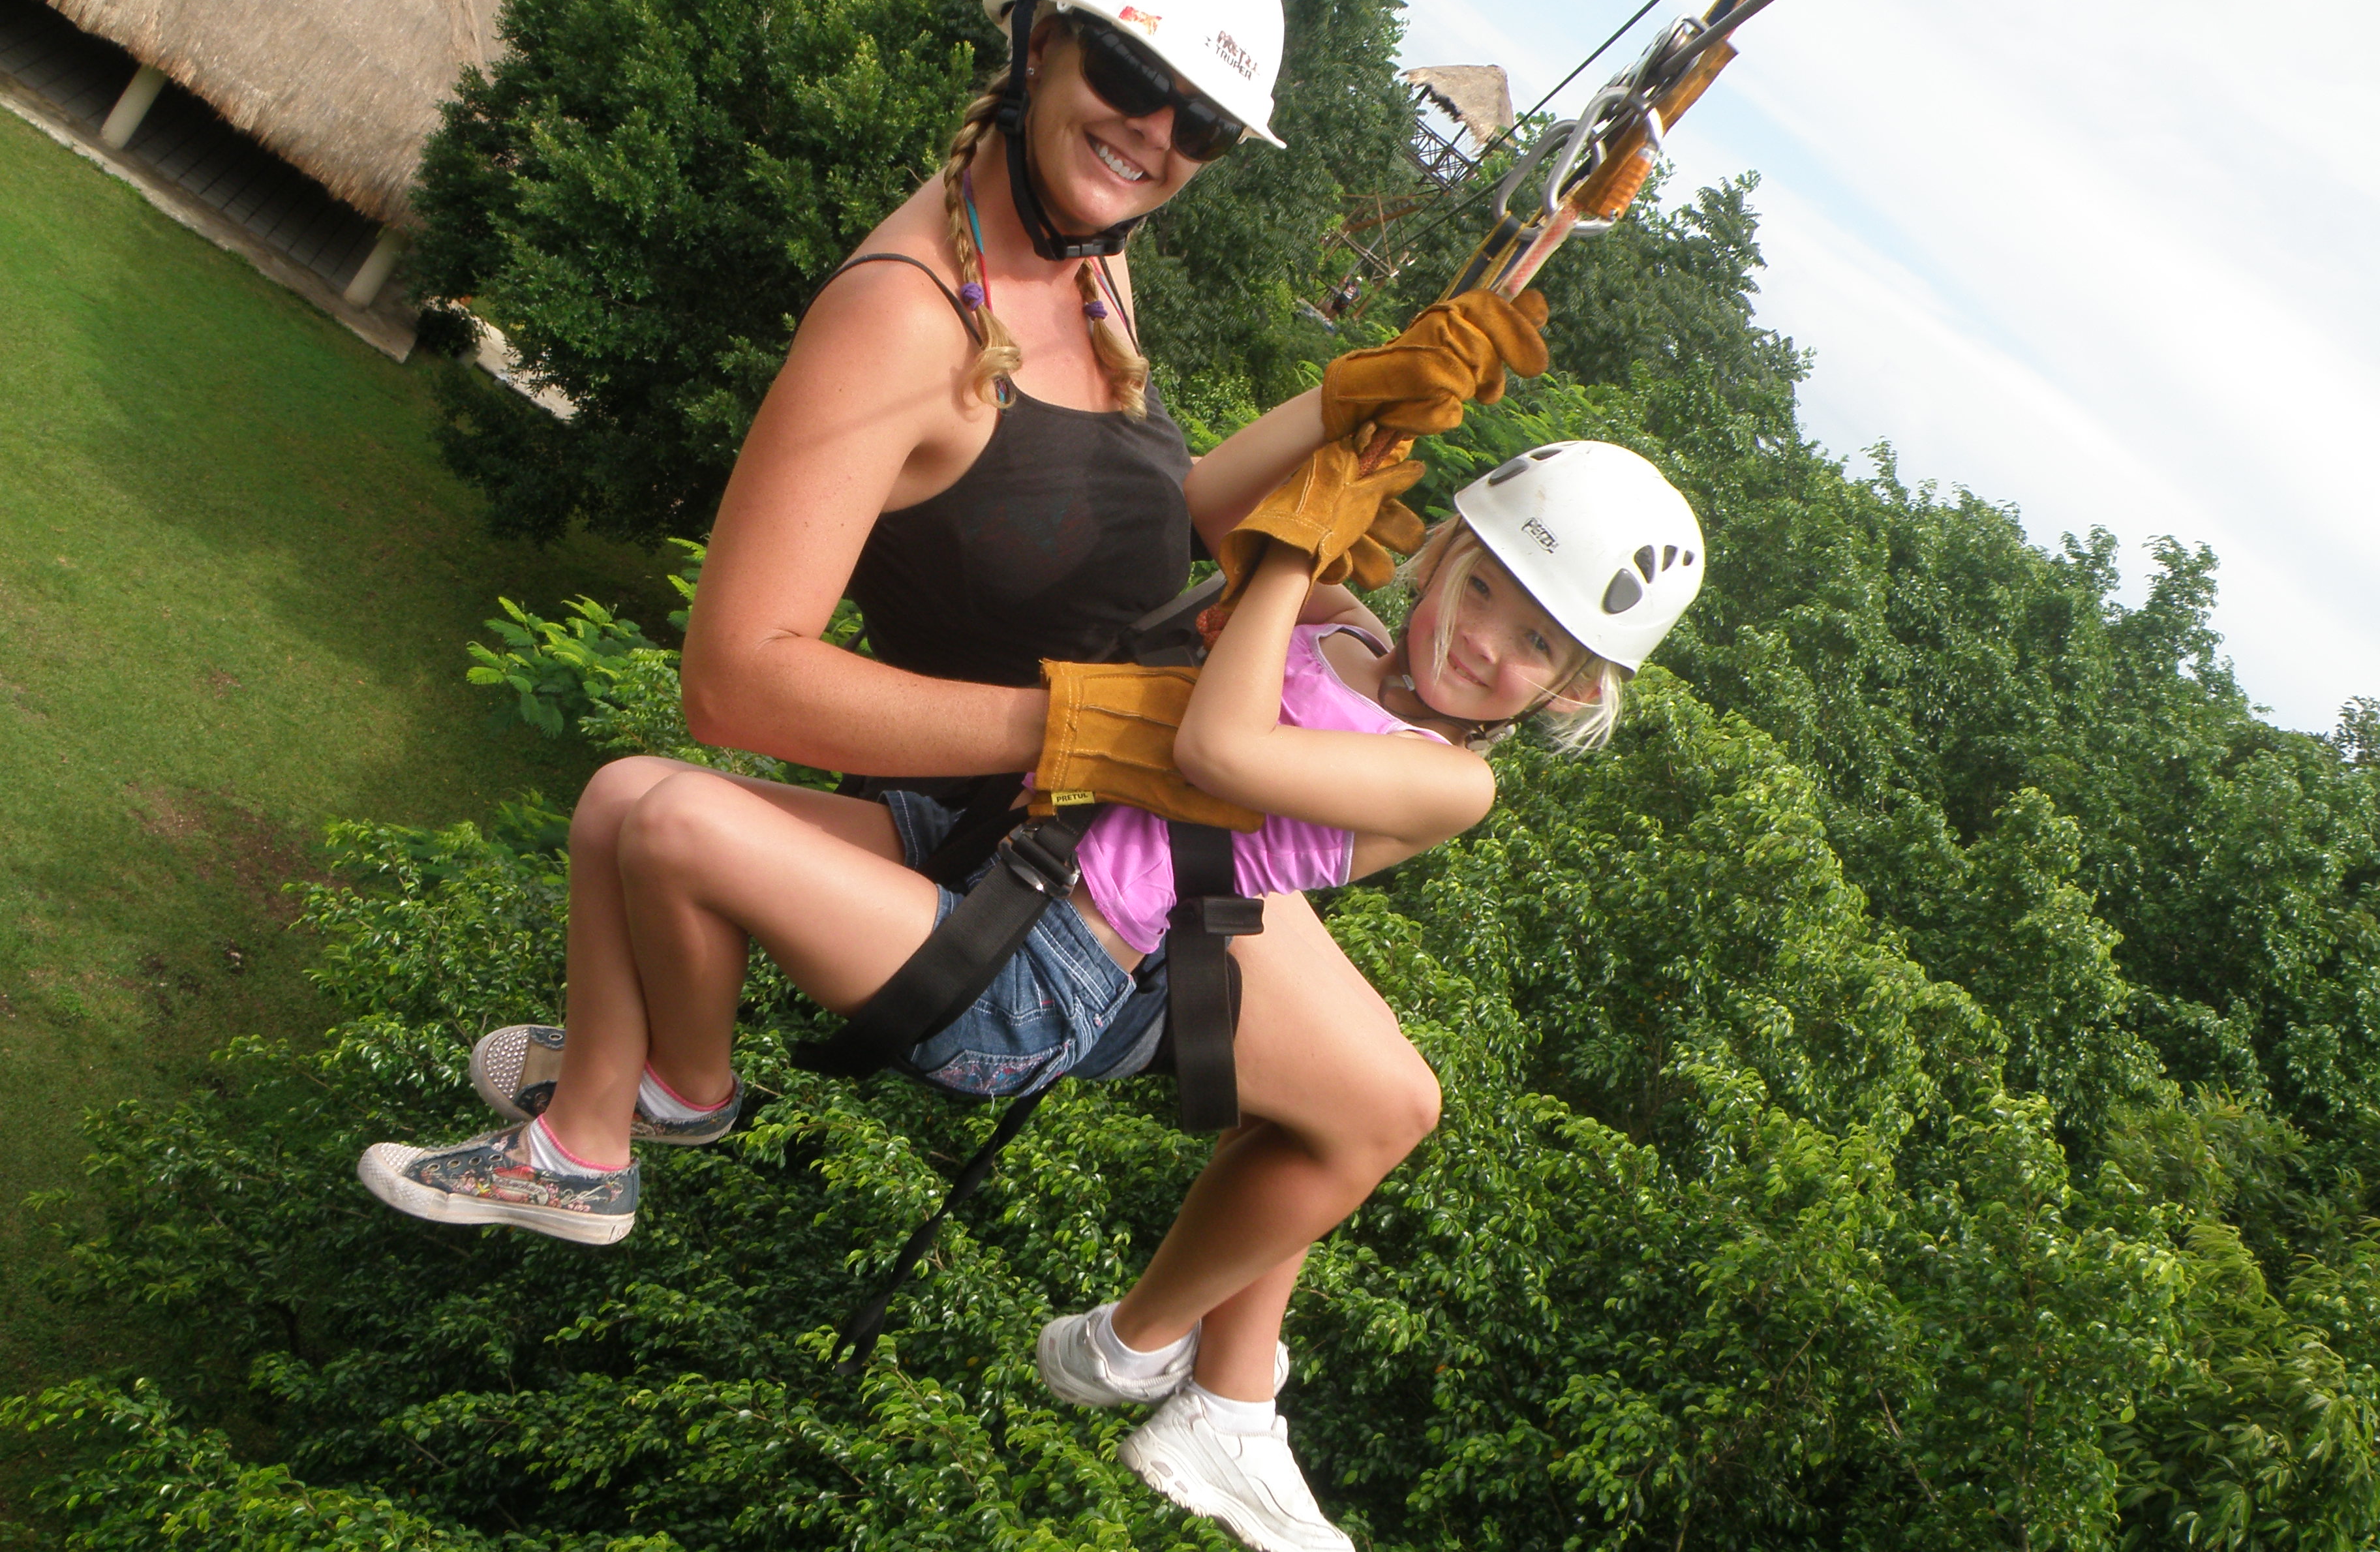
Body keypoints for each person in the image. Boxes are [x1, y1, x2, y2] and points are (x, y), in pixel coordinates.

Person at [355, 0, 1563, 1552]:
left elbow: (1150, 539)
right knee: (644, 798)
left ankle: (1192, 1383)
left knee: (1379, 1106)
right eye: (1129, 77)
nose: (1153, 133)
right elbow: (739, 677)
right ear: (1034, 35)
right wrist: (1071, 728)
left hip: (1099, 834)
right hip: (1042, 830)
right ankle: (658, 1119)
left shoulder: (1091, 278)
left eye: (1199, 122)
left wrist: (1341, 406)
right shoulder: (906, 315)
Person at [363, 431, 1705, 1551]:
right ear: (1449, 561)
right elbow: (1217, 503)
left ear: (1571, 690)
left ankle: (652, 1109)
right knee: (622, 802)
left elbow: (1219, 740)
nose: (1485, 647)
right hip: (1000, 849)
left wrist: (1295, 556)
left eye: (1535, 647)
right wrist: (1347, 418)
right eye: (1482, 595)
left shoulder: (1448, 781)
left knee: (677, 834)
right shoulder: (1349, 628)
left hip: (1039, 972)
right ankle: (631, 1109)